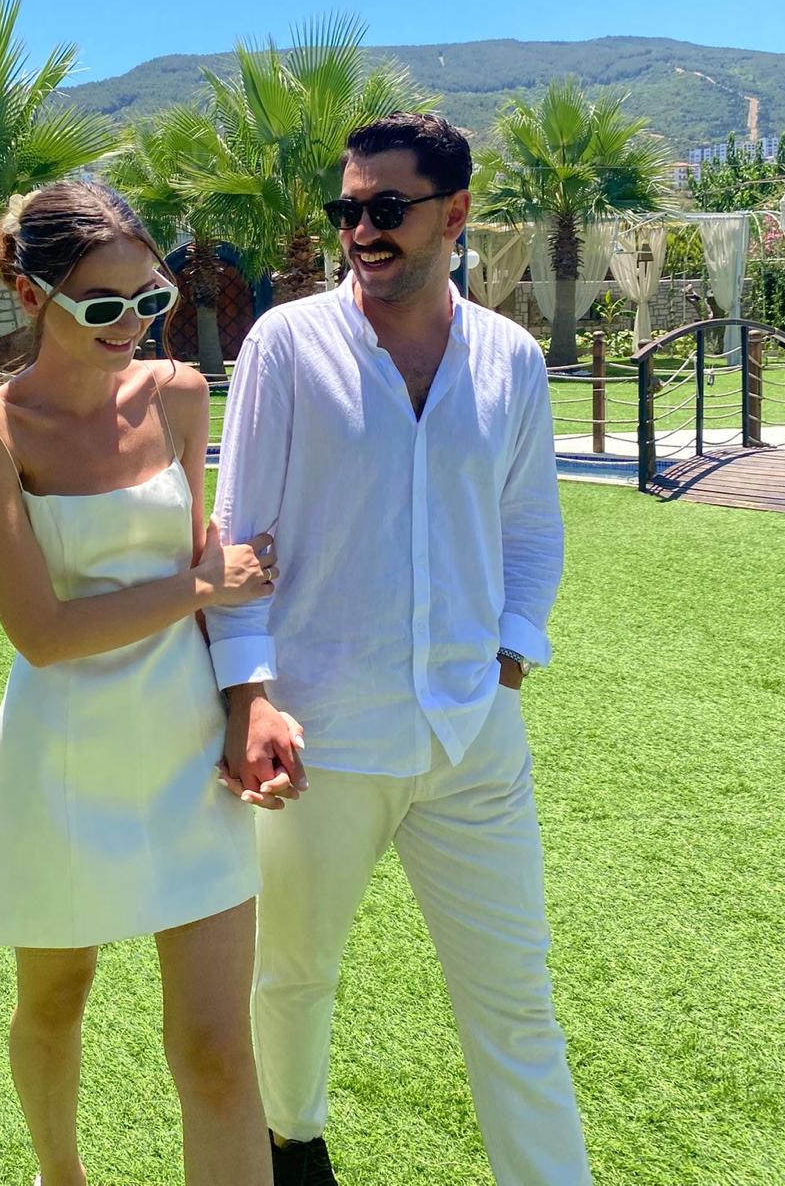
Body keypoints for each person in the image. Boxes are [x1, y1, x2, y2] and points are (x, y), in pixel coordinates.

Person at [208, 113, 592, 1185]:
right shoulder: (287, 345)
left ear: (454, 211)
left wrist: (510, 656)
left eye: (387, 208)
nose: (361, 231)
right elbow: (239, 535)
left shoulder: (511, 358)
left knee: (516, 1001)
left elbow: (529, 526)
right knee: (294, 974)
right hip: (320, 733)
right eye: (348, 209)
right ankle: (295, 1145)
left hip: (473, 735)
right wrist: (249, 697)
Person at [0, 180, 294, 1186]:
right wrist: (201, 584)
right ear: (29, 293)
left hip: (188, 750)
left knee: (217, 1051)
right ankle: (60, 1175)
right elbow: (43, 634)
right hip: (60, 759)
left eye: (151, 298)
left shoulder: (179, 394)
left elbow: (206, 567)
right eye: (103, 303)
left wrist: (249, 703)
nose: (133, 323)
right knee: (56, 1000)